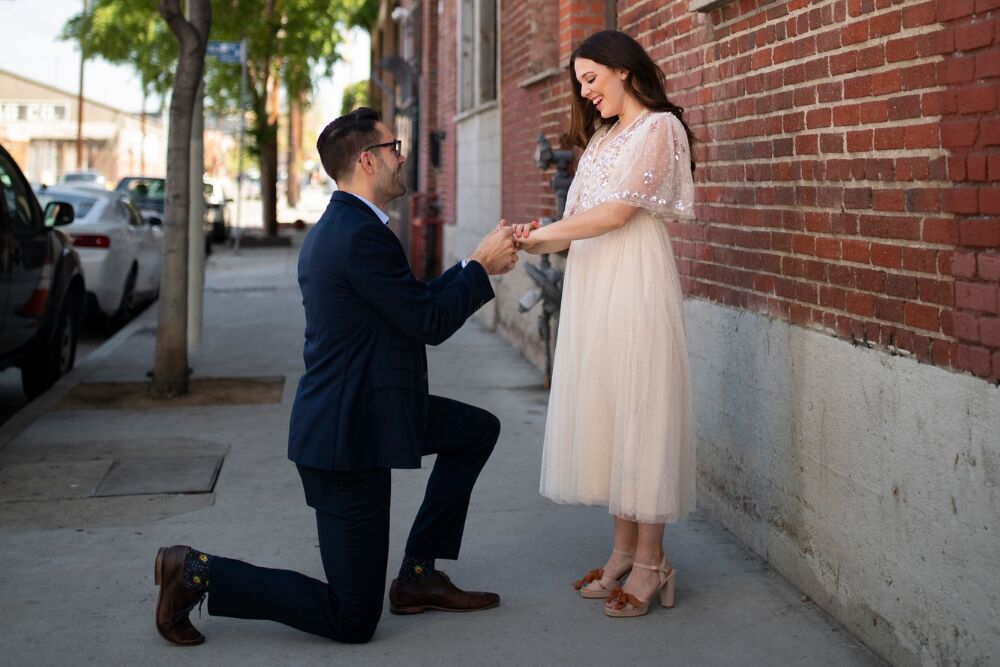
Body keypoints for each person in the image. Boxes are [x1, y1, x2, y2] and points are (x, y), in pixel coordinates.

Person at [154, 107, 519, 646]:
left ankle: (418, 575)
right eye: (395, 148)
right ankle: (196, 572)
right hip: (346, 442)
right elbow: (429, 322)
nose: (403, 158)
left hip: (376, 413)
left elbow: (411, 305)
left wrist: (471, 265)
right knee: (353, 619)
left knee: (474, 431)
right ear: (368, 160)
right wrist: (482, 267)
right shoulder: (357, 237)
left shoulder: (353, 228)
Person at [513, 30, 696, 618]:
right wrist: (537, 233)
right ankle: (621, 551)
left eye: (591, 78)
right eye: (579, 83)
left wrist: (535, 239)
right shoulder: (601, 136)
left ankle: (652, 562)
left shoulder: (658, 129)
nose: (585, 92)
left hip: (633, 276)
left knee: (641, 408)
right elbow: (581, 215)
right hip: (595, 279)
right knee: (611, 408)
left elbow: (616, 214)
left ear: (624, 70)